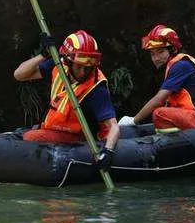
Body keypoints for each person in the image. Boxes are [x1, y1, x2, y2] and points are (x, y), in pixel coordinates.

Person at [14, 30, 118, 169]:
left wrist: (108, 151)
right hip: (56, 130)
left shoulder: (97, 88)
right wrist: (43, 55)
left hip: (81, 138)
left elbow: (113, 127)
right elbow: (19, 75)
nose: (83, 72)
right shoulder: (59, 66)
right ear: (68, 61)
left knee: (31, 138)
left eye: (88, 68)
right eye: (79, 66)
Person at [118, 25, 195, 132]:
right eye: (152, 54)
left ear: (173, 50)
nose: (156, 58)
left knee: (160, 114)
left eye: (160, 52)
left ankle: (172, 149)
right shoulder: (176, 66)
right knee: (167, 110)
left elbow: (159, 99)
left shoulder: (180, 66)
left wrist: (133, 120)